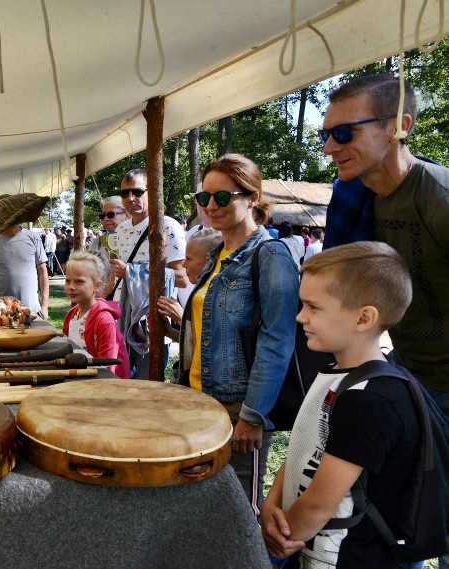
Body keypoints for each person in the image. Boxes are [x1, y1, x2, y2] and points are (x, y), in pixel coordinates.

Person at [261, 242, 420, 568]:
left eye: (313, 307)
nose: (299, 316)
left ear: (363, 318)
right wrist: (270, 506)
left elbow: (320, 504)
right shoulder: (335, 373)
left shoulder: (370, 400)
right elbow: (303, 449)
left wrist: (283, 535)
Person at [320, 74, 449, 423]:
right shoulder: (353, 199)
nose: (329, 147)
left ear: (398, 127)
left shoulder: (439, 198)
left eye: (344, 133)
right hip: (407, 375)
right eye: (326, 134)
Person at [178, 153, 300, 513]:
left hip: (236, 409)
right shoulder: (217, 253)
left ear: (253, 197)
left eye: (222, 197)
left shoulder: (271, 255)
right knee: (204, 509)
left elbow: (277, 341)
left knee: (238, 513)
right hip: (200, 401)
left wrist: (253, 415)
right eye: (204, 198)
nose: (210, 206)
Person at [110, 168, 187, 379]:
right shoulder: (122, 230)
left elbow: (180, 276)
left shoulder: (168, 226)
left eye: (137, 192)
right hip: (123, 318)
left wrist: (132, 272)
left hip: (151, 322)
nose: (130, 198)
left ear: (151, 192)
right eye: (125, 193)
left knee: (147, 387)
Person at [62, 251, 131, 378]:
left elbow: (106, 366)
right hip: (79, 379)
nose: (71, 287)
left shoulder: (104, 321)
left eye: (79, 282)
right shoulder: (72, 315)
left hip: (104, 384)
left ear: (97, 285)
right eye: (68, 281)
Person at [0, 195, 50, 319]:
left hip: (32, 310)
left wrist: (44, 306)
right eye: (4, 213)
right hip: (1, 312)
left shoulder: (33, 237)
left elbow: (42, 271)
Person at [156, 228, 222, 342]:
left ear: (209, 262)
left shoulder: (220, 297)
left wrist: (181, 318)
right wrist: (170, 332)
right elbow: (195, 344)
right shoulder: (200, 292)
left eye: (188, 259)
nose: (184, 264)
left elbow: (214, 344)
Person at [87, 195, 128, 297]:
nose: (105, 219)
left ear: (127, 215)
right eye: (102, 215)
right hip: (102, 302)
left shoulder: (134, 241)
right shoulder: (96, 243)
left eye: (111, 214)